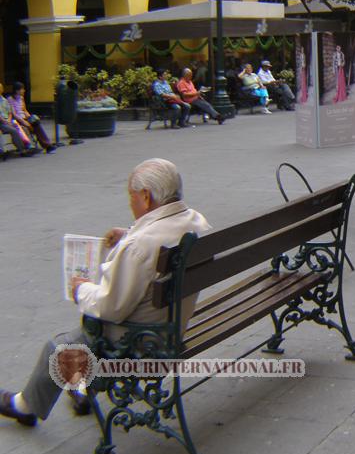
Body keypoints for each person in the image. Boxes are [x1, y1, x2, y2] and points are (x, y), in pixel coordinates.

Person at [0, 159, 210, 426]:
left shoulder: (140, 245)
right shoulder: (196, 222)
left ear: (146, 196)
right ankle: (81, 386)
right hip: (173, 324)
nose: (130, 203)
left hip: (141, 340)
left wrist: (81, 290)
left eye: (131, 196)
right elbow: (157, 242)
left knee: (61, 346)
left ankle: (25, 406)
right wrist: (128, 235)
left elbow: (111, 307)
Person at [7, 81, 56, 152]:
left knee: (36, 123)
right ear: (17, 90)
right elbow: (14, 114)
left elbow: (24, 110)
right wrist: (23, 121)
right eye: (22, 89)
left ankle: (48, 145)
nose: (24, 90)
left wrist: (30, 118)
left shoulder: (21, 98)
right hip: (17, 120)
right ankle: (30, 147)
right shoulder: (10, 99)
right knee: (26, 127)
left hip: (24, 117)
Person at [0, 83, 38, 156]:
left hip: (8, 121)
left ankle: (28, 146)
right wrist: (5, 121)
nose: (0, 89)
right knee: (14, 130)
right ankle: (22, 150)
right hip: (2, 122)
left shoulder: (4, 100)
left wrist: (9, 120)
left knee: (20, 127)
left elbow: (10, 112)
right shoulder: (9, 99)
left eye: (1, 88)